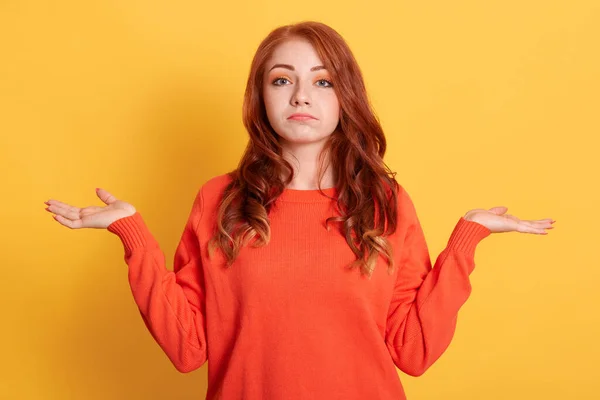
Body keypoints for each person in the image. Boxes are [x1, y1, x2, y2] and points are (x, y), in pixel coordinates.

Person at [44, 20, 555, 400]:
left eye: (323, 81)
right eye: (282, 80)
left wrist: (465, 240)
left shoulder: (385, 203)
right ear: (261, 97)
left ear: (344, 96)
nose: (301, 96)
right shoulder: (219, 200)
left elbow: (413, 352)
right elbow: (187, 349)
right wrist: (132, 235)